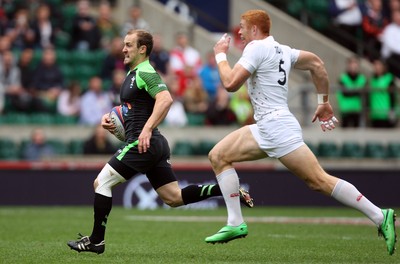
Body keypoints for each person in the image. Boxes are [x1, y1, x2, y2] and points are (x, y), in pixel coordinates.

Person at [204, 10, 397, 256]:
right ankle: (234, 223)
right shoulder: (283, 50)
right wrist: (323, 101)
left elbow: (231, 83)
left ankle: (381, 215)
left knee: (318, 181)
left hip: (276, 128)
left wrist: (220, 55)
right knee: (218, 156)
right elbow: (317, 64)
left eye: (242, 27)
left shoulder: (255, 48)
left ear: (254, 29)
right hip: (268, 125)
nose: (239, 31)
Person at [67, 29, 253, 255]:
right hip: (153, 144)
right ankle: (226, 190)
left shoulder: (146, 72)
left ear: (142, 49)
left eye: (128, 45)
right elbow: (134, 113)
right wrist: (113, 120)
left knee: (101, 183)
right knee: (174, 198)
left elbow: (165, 99)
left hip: (143, 143)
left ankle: (96, 241)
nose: (123, 49)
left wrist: (145, 130)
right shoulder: (132, 75)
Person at [336, 56, 367, 127]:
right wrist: (356, 91)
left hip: (357, 109)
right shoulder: (343, 78)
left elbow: (363, 93)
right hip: (345, 109)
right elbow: (345, 93)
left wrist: (350, 91)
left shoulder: (362, 78)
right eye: (351, 63)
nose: (353, 65)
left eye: (355, 63)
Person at [367, 59, 397, 128]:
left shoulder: (389, 78)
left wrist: (392, 112)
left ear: (383, 66)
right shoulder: (372, 79)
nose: (377, 67)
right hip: (374, 114)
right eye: (375, 65)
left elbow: (392, 96)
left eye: (379, 65)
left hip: (385, 114)